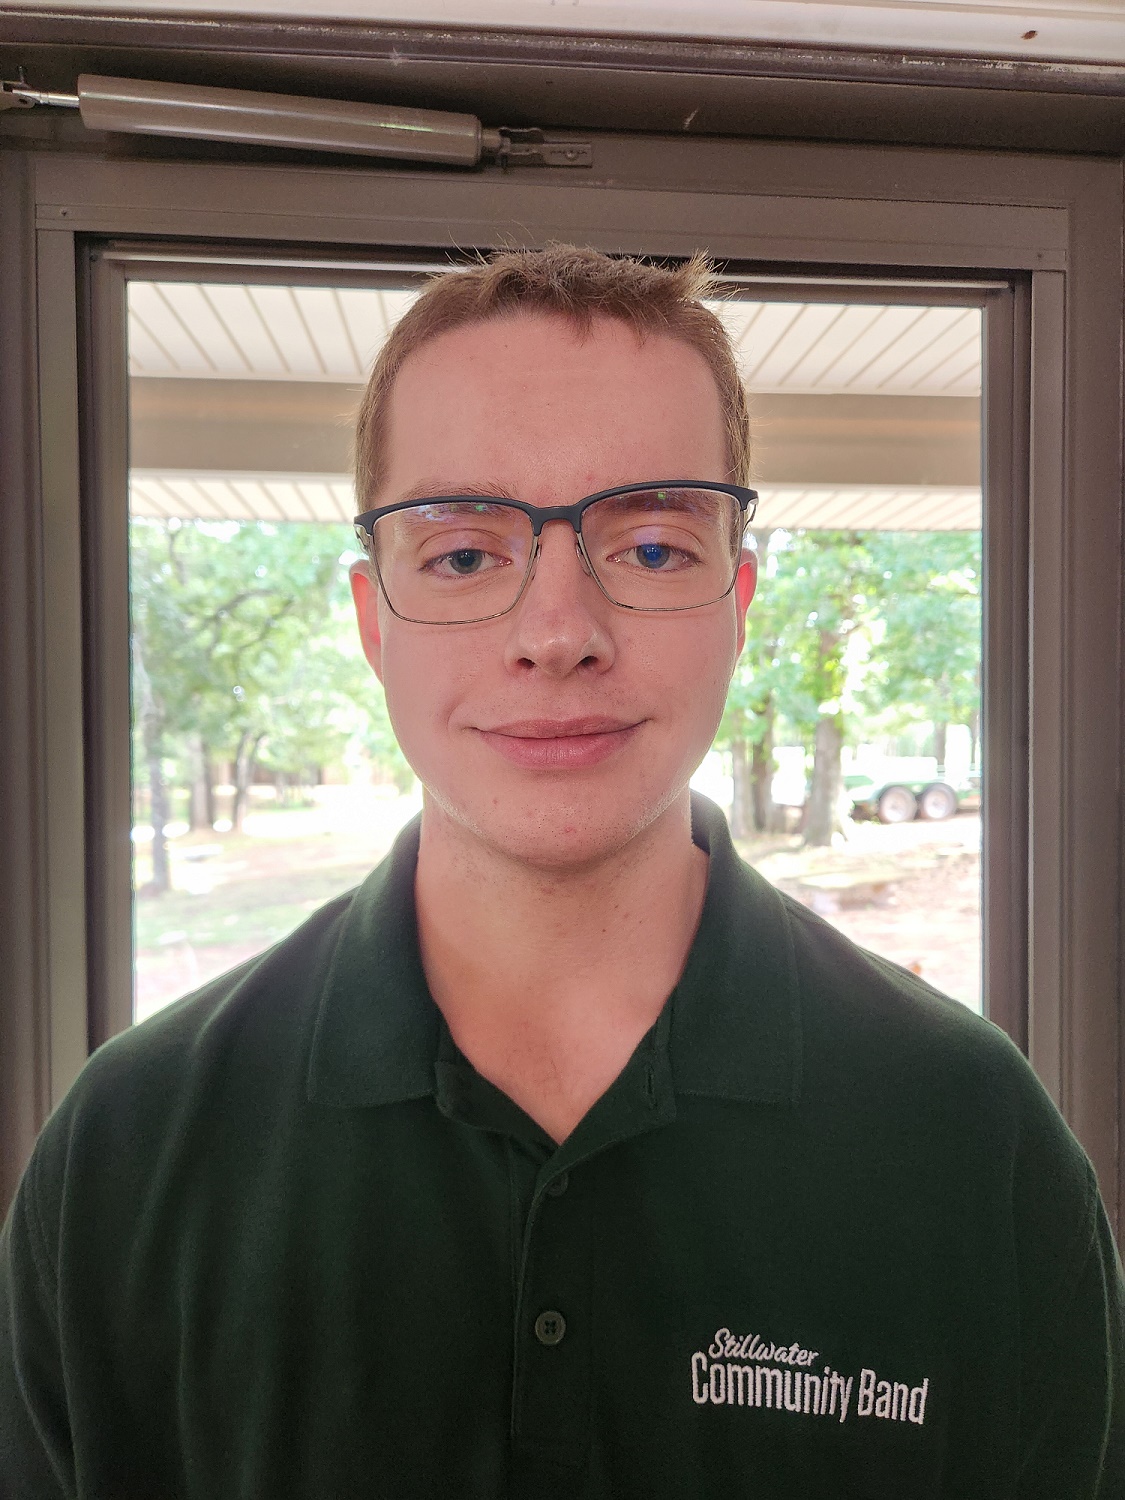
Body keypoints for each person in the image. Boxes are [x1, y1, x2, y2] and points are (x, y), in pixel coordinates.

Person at [0, 246, 1121, 1499]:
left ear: (737, 600)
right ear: (374, 621)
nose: (557, 635)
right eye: (465, 554)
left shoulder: (972, 1142)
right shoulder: (129, 1152)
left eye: (649, 549)